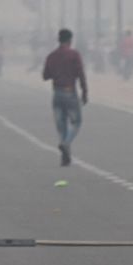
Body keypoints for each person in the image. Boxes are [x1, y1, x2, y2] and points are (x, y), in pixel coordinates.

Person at [41, 29, 88, 165]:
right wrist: (85, 92)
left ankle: (65, 157)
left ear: (59, 39)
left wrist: (56, 72)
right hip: (70, 92)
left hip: (57, 93)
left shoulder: (52, 56)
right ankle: (66, 143)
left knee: (61, 126)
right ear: (70, 40)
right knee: (76, 122)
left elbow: (45, 76)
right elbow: (81, 74)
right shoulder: (74, 55)